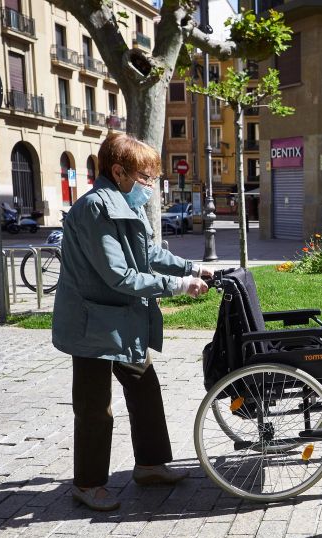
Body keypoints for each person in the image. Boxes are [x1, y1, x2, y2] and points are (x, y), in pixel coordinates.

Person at [52, 133, 213, 511]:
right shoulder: (95, 208)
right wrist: (179, 285)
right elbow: (119, 275)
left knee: (144, 387)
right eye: (145, 177)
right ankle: (88, 484)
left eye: (153, 178)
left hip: (121, 318)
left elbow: (149, 253)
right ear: (118, 170)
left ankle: (150, 465)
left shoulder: (124, 202)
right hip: (92, 321)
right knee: (95, 405)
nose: (150, 185)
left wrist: (193, 267)